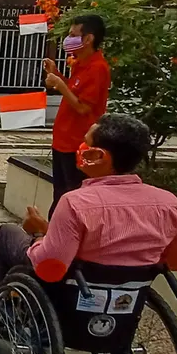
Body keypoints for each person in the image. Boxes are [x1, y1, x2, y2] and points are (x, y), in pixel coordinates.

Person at [0, 113, 177, 338]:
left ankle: (1, 311)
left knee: (8, 234)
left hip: (76, 289)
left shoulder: (76, 203)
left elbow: (50, 267)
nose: (80, 147)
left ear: (98, 155)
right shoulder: (170, 205)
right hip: (127, 296)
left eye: (86, 142)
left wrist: (38, 235)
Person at [42, 14, 111, 217]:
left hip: (77, 144)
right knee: (59, 194)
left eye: (73, 34)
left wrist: (60, 85)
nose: (68, 39)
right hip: (62, 141)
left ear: (88, 39)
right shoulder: (80, 64)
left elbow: (82, 108)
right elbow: (73, 94)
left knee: (71, 198)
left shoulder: (98, 69)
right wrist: (56, 75)